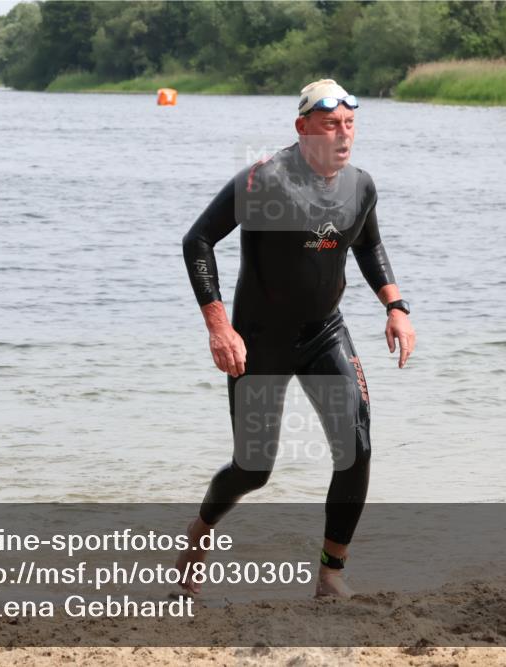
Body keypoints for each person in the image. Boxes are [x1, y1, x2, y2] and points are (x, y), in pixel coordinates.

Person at [176, 79, 416, 598]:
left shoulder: (360, 186)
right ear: (303, 128)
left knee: (357, 447)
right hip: (258, 340)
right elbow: (197, 239)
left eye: (350, 125)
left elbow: (368, 246)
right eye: (331, 125)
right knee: (254, 468)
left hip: (325, 332)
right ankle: (200, 531)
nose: (343, 135)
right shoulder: (266, 180)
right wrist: (219, 326)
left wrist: (396, 307)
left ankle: (331, 572)